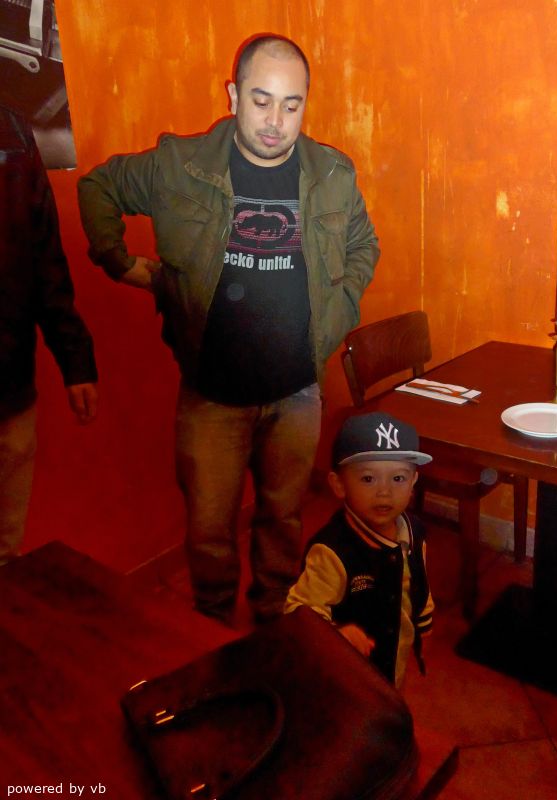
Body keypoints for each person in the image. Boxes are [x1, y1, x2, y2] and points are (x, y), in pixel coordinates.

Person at [77, 35, 379, 624]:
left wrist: (341, 309)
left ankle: (273, 625)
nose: (275, 121)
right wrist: (123, 264)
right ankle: (211, 630)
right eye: (261, 101)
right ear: (234, 95)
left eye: (291, 104)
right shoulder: (179, 165)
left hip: (297, 392)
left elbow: (363, 243)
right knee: (209, 531)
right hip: (211, 395)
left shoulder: (331, 173)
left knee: (283, 521)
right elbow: (98, 187)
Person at [0, 104, 98, 565]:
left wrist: (76, 360)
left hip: (11, 383)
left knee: (6, 552)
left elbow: (45, 257)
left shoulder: (12, 129)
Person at [285, 412, 434, 687]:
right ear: (339, 484)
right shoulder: (332, 552)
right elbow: (299, 612)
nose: (384, 492)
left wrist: (423, 627)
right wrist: (337, 632)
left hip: (393, 660)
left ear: (414, 481)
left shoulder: (414, 532)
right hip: (345, 672)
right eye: (368, 479)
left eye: (398, 478)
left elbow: (419, 585)